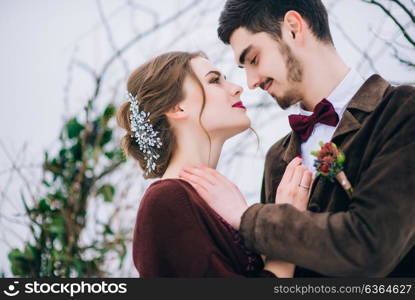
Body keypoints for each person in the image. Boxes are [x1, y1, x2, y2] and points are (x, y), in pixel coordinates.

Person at [179, 0, 415, 277]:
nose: (251, 81)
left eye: (253, 59)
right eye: (245, 68)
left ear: (293, 28)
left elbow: (371, 247)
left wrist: (246, 217)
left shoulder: (401, 111)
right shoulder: (277, 157)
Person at [116, 51, 312, 277]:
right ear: (177, 108)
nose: (237, 88)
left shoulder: (210, 199)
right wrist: (285, 237)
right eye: (214, 80)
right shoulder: (165, 201)